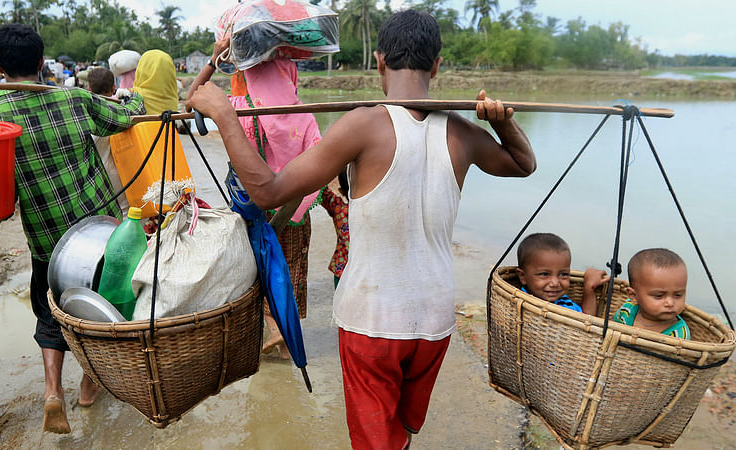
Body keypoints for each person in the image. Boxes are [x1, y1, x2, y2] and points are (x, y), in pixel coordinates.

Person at [188, 10, 536, 448]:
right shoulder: (462, 131)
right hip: (434, 322)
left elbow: (268, 191)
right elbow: (524, 164)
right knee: (403, 429)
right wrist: (502, 123)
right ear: (436, 66)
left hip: (372, 323)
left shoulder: (363, 123)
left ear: (378, 62)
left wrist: (224, 115)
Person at [0, 24, 146, 434]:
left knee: (50, 317)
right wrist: (134, 95)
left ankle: (53, 392)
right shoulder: (73, 97)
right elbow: (126, 117)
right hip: (100, 235)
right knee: (106, 313)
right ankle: (90, 388)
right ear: (41, 63)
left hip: (48, 245)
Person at [188, 24, 323, 359]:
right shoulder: (303, 113)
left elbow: (194, 97)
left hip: (252, 209)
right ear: (290, 76)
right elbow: (319, 164)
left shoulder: (238, 109)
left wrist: (216, 54)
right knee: (290, 268)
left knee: (256, 267)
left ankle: (271, 329)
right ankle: (287, 331)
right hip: (292, 210)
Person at [516, 233, 609, 316]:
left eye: (563, 274)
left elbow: (586, 320)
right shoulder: (520, 301)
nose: (555, 283)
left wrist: (589, 288)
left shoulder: (564, 302)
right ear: (523, 276)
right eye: (544, 274)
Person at [614, 248, 691, 339]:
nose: (670, 303)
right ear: (633, 296)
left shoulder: (678, 334)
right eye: (659, 296)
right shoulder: (627, 309)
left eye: (678, 295)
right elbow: (611, 326)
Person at [88, 67, 130, 215]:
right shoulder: (120, 108)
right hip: (119, 170)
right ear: (113, 87)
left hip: (94, 172)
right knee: (124, 210)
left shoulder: (85, 112)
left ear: (89, 88)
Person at [320, 170, 350, 289]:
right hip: (365, 270)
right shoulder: (371, 209)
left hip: (341, 268)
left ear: (341, 190)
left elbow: (322, 192)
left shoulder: (339, 209)